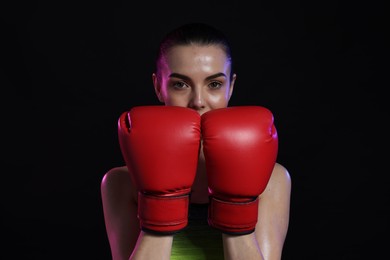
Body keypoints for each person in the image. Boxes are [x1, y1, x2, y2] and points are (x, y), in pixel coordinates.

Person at [101, 22, 292, 260]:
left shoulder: (271, 180)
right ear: (158, 87)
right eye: (180, 84)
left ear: (230, 87)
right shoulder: (122, 182)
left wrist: (235, 206)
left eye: (214, 84)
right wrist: (160, 205)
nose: (198, 101)